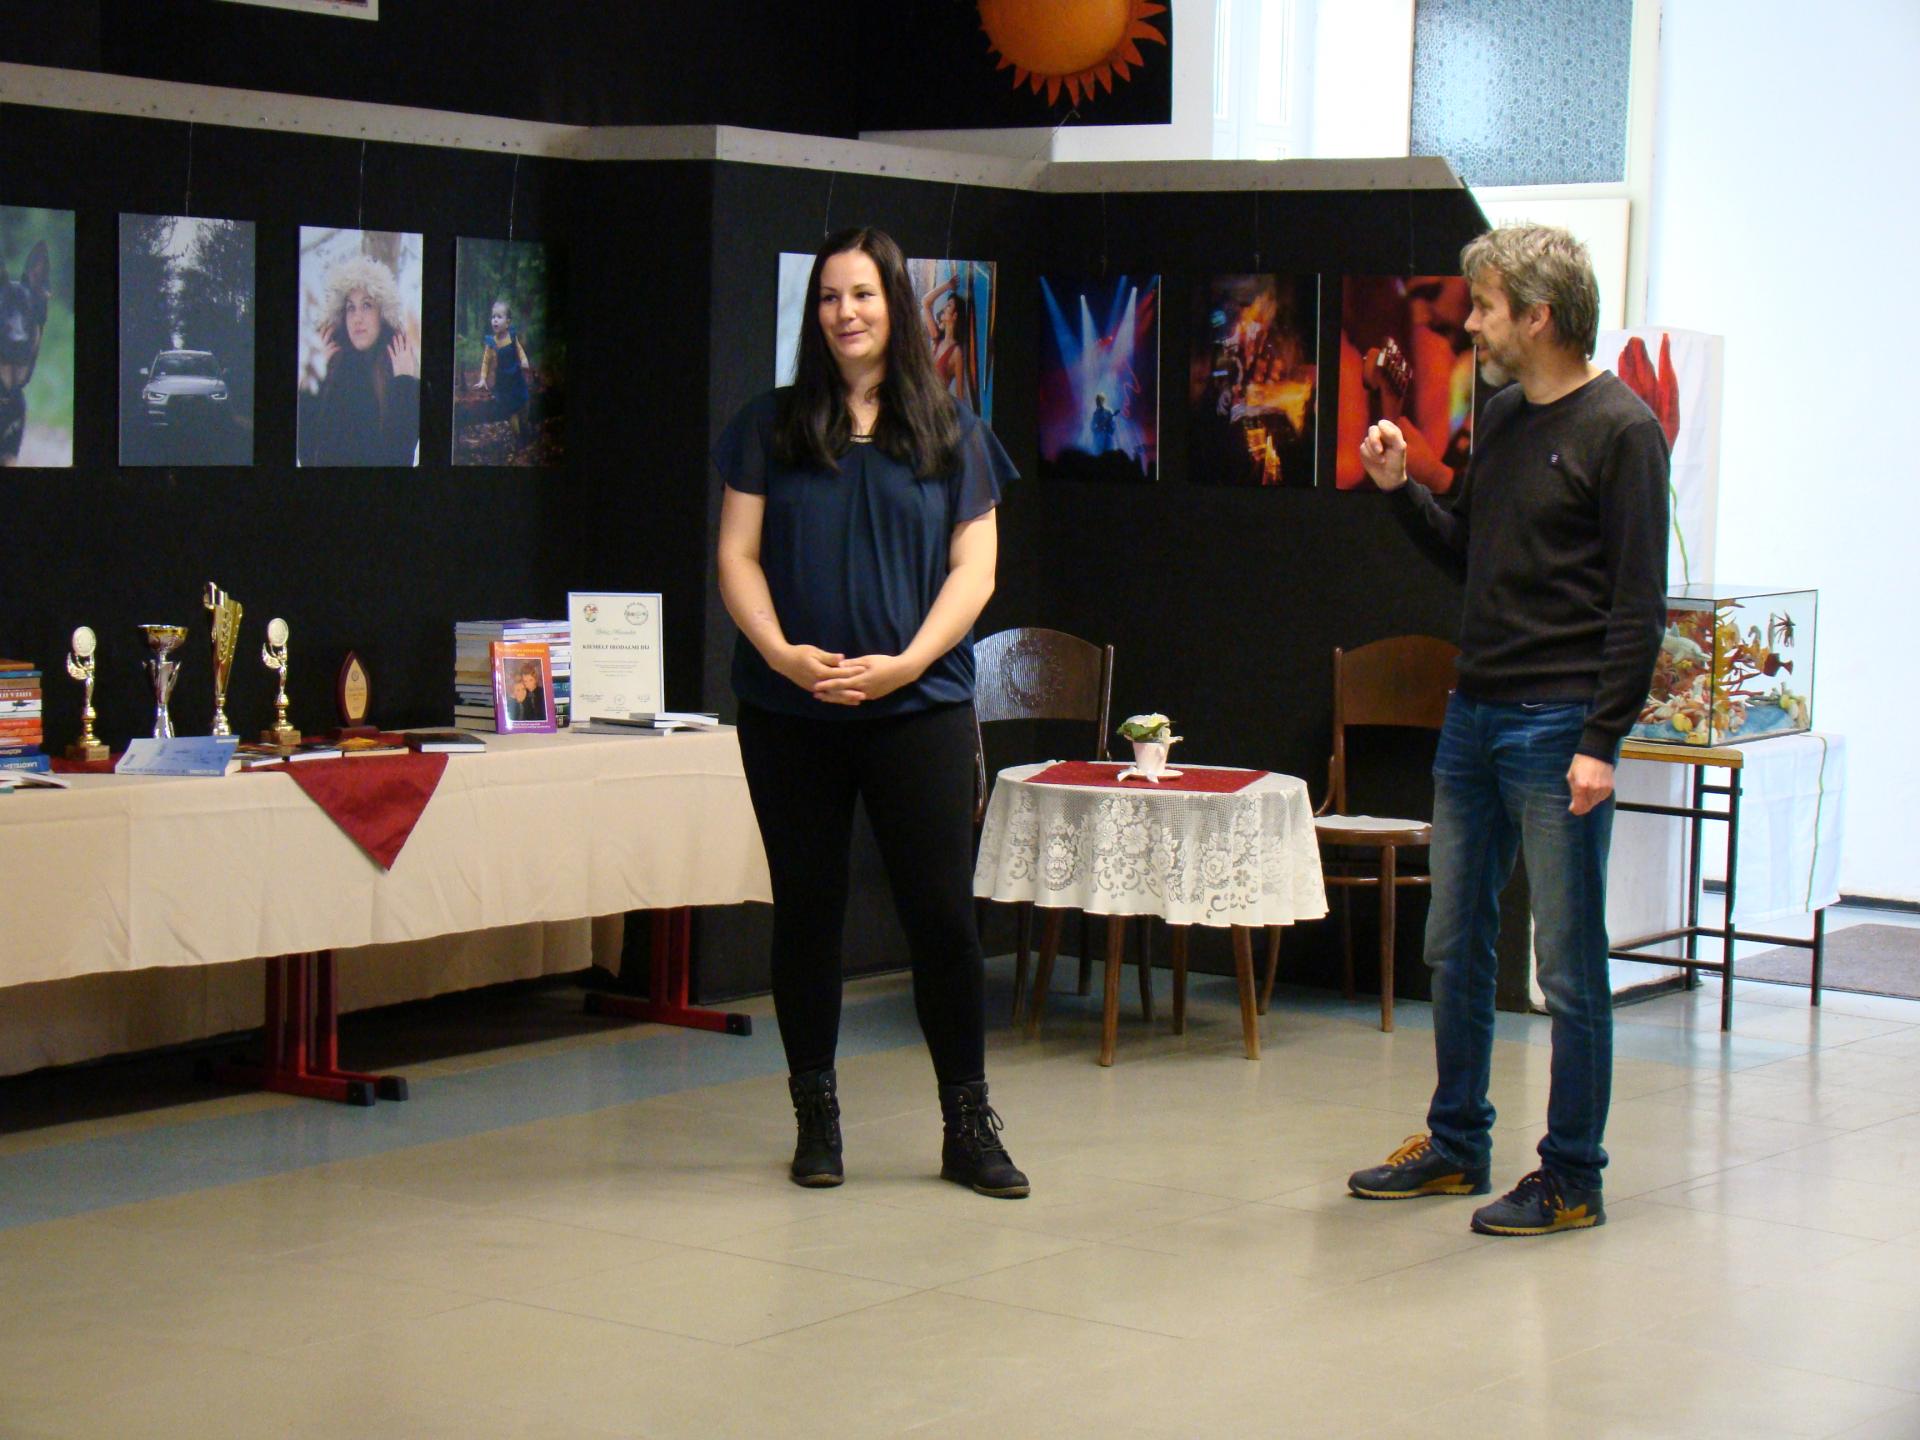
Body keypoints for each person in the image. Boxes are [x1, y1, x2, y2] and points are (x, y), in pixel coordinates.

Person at [1345, 224, 1669, 1237]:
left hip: (1557, 726)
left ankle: (1571, 1176)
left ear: (1538, 314)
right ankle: (1456, 1143)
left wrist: (1601, 742)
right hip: (1474, 713)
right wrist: (1400, 493)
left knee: (1567, 966)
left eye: (1485, 307)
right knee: (1454, 945)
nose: (1472, 324)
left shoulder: (1623, 431)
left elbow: (1639, 607)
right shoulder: (1500, 417)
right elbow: (1467, 552)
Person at [714, 225, 1026, 1198]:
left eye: (862, 295)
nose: (844, 313)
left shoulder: (952, 432)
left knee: (942, 918)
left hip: (919, 708)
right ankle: (816, 1120)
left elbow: (976, 571)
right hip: (789, 712)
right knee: (808, 912)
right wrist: (780, 653)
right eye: (828, 297)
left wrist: (907, 665)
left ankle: (968, 1126)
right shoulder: (769, 426)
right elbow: (736, 555)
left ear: (895, 305)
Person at [301, 253, 420, 467]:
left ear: (382, 312)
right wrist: (313, 383)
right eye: (351, 307)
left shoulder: (399, 368)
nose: (357, 318)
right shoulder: (332, 367)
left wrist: (404, 382)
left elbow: (402, 459)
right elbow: (306, 452)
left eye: (367, 305)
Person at [920, 270, 979, 414]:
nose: (943, 308)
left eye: (948, 306)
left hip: (935, 413)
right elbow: (925, 303)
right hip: (919, 406)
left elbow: (960, 395)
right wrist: (947, 286)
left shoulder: (956, 352)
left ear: (955, 316)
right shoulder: (936, 338)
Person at [477, 298, 534, 439]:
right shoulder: (491, 343)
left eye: (499, 317)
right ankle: (518, 436)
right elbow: (485, 362)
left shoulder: (512, 336)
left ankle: (525, 425)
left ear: (507, 322)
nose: (495, 320)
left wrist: (524, 360)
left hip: (516, 377)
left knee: (524, 400)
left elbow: (519, 350)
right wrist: (483, 378)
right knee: (511, 410)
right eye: (493, 317)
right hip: (503, 382)